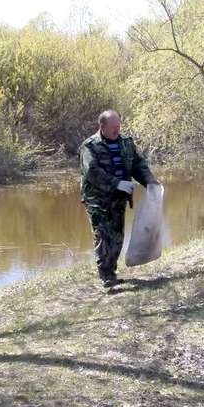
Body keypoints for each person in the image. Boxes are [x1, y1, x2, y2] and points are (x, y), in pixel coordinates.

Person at [80, 109, 159, 287]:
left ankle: (111, 271)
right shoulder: (90, 146)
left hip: (119, 198)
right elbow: (92, 171)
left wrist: (151, 182)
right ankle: (106, 275)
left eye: (119, 126)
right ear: (102, 126)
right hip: (97, 200)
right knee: (103, 235)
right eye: (113, 127)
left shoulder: (125, 143)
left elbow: (139, 165)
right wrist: (116, 183)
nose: (117, 130)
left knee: (117, 237)